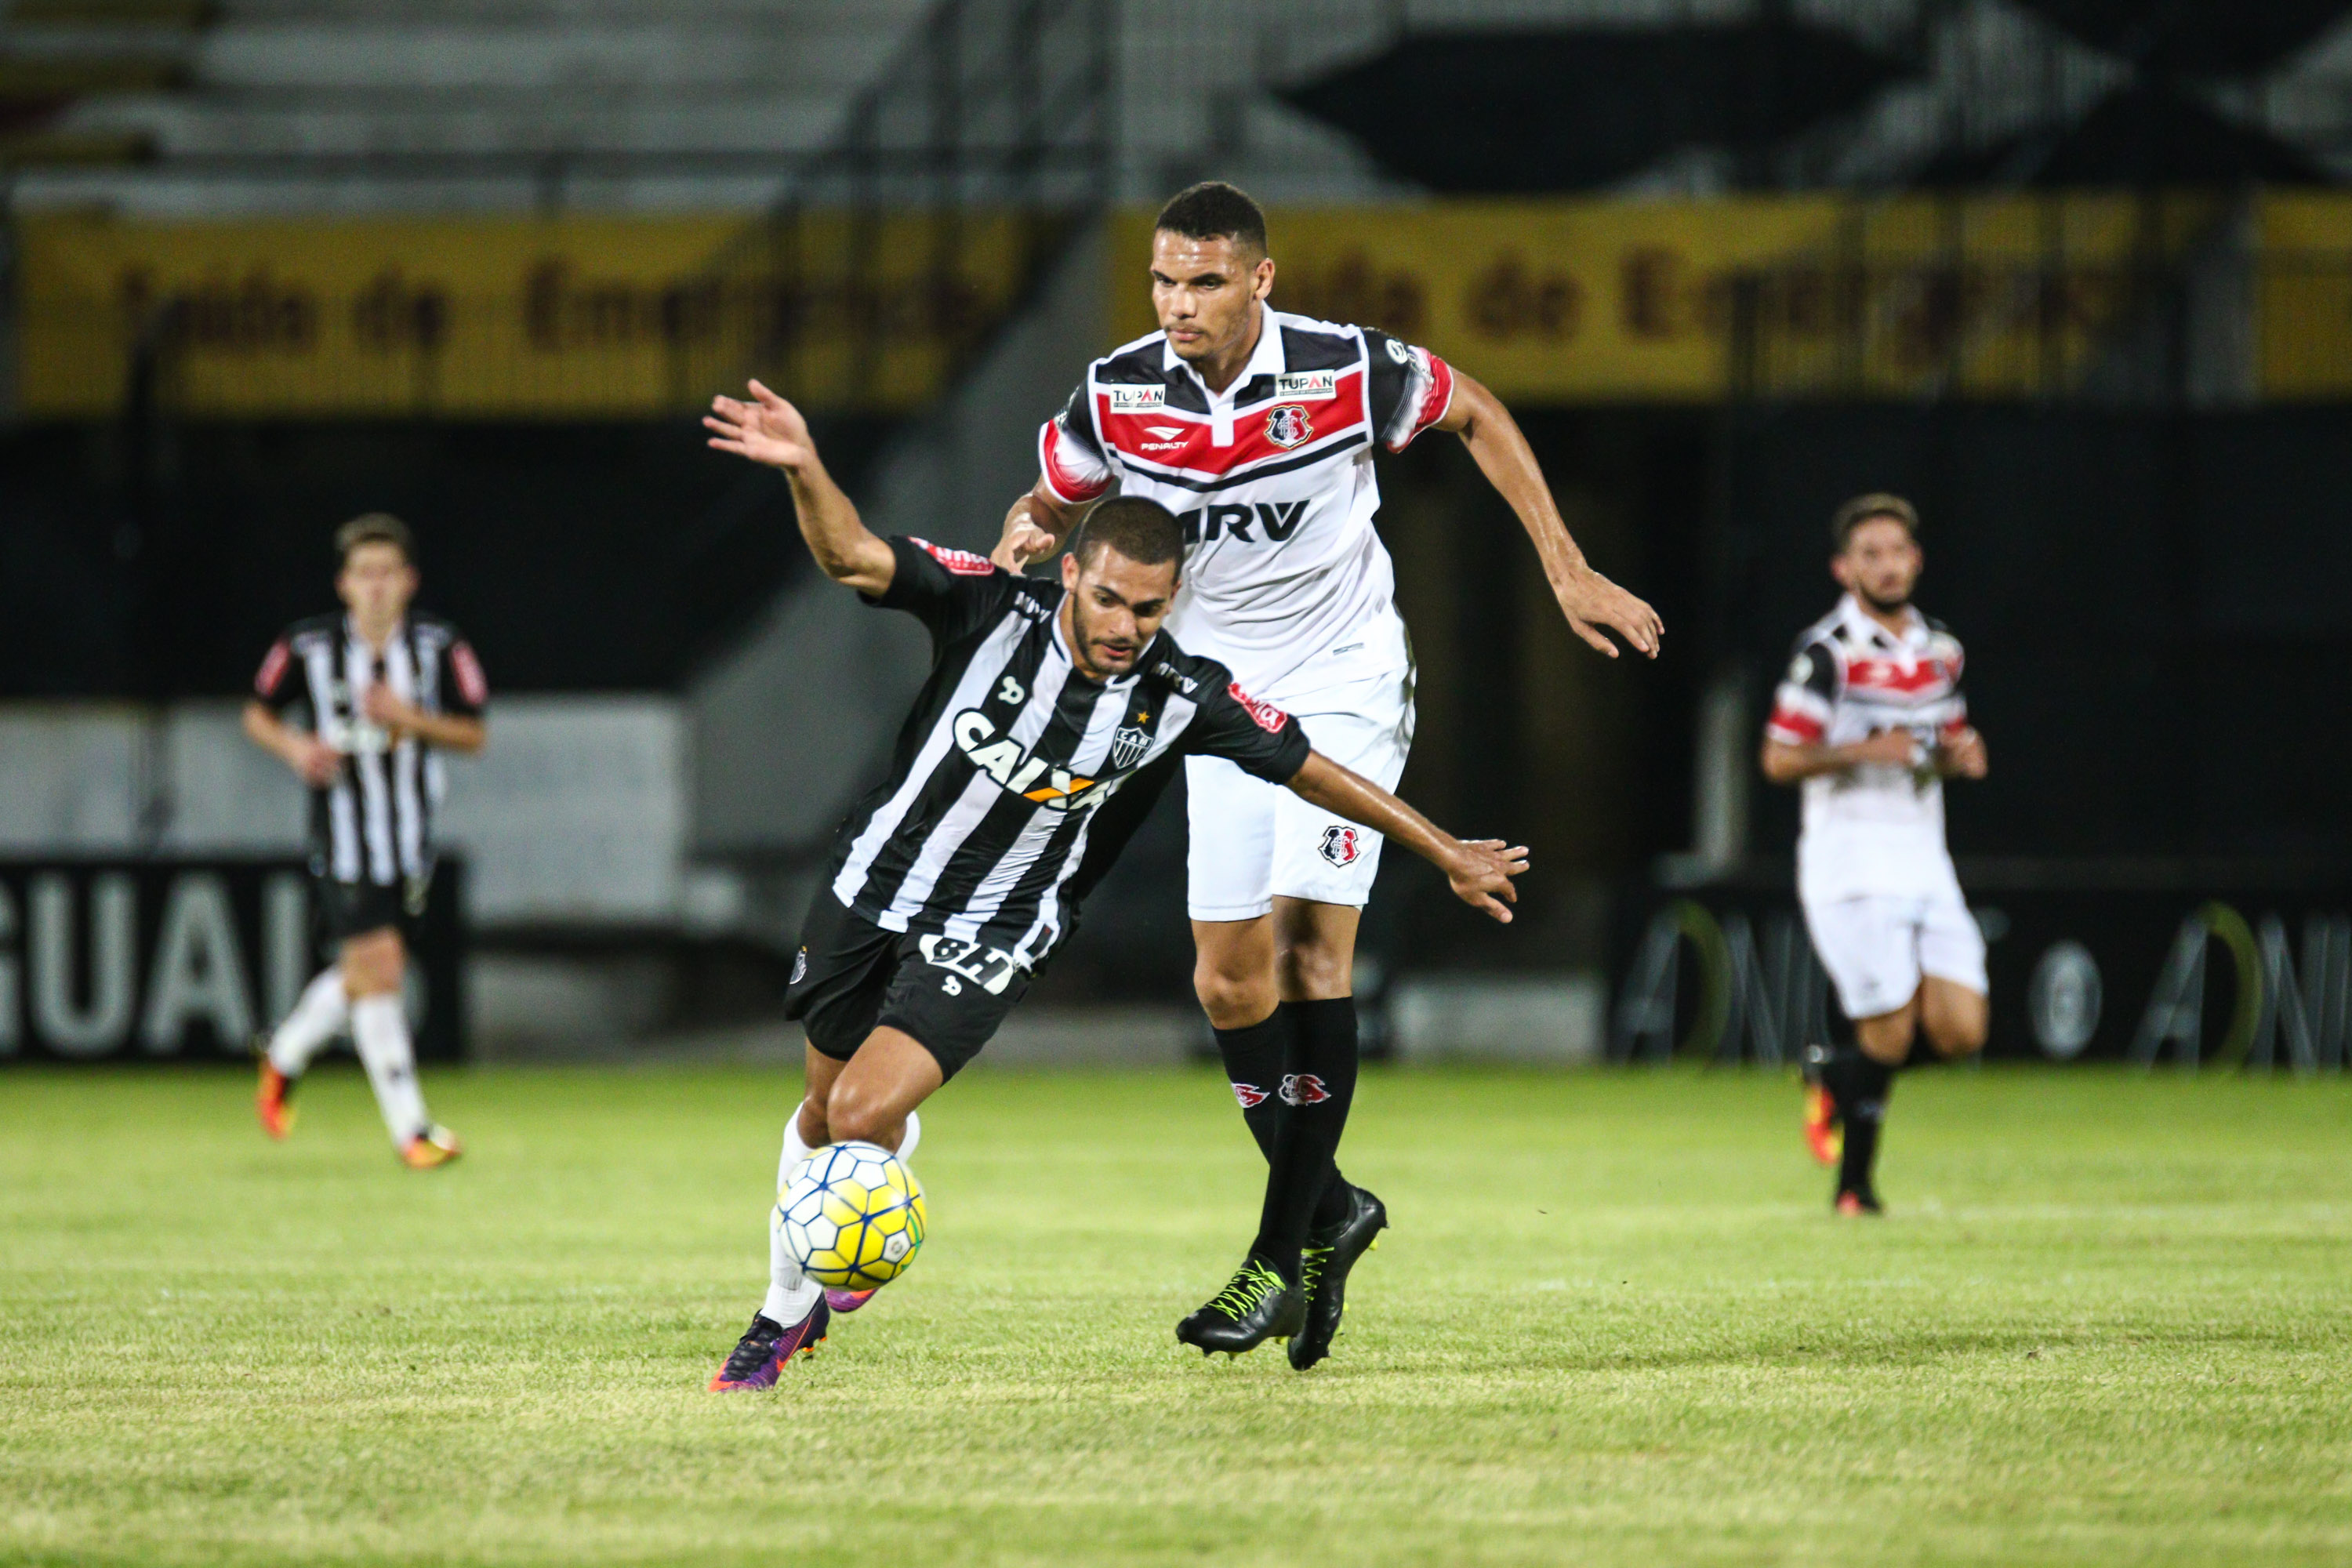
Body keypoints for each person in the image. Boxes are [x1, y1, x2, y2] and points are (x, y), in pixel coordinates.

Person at [699, 382, 1527, 1388]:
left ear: (1170, 602)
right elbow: (850, 553)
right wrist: (804, 466)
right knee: (821, 1113)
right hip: (871, 885)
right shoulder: (987, 606)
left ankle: (780, 1314)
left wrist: (1444, 848)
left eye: (1148, 606)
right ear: (1071, 578)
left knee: (864, 1115)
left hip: (997, 921)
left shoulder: (1182, 693)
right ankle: (830, 1252)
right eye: (1106, 598)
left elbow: (1310, 765)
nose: (1124, 625)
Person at [990, 181, 1662, 1364]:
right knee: (1229, 986)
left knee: (1308, 954)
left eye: (1203, 281)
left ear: (1262, 278)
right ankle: (1335, 1208)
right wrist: (1029, 530)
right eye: (1162, 279)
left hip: (1342, 676)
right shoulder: (1120, 391)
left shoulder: (1342, 370)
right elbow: (1057, 489)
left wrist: (1566, 568)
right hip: (1212, 698)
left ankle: (1274, 1258)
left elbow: (1481, 412)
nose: (1178, 303)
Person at [1761, 493, 1989, 1214]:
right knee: (1890, 1024)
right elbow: (1777, 758)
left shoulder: (1941, 649)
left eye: (1897, 552)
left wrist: (1960, 756)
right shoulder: (1827, 653)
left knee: (1960, 1029)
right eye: (1870, 555)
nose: (1887, 566)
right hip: (1851, 858)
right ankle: (1854, 1188)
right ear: (1844, 568)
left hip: (1925, 854)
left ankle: (1838, 1075)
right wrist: (1864, 749)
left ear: (1916, 559)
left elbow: (1937, 747)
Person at [245, 514, 488, 1169]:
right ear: (344, 584)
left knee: (364, 974)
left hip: (409, 842)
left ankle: (286, 1053)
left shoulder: (440, 647)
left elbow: (474, 734)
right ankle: (412, 1130)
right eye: (364, 574)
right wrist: (297, 746)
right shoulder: (307, 646)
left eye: (387, 573)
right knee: (380, 968)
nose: (376, 587)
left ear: (408, 582)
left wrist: (410, 719)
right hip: (344, 837)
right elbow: (257, 712)